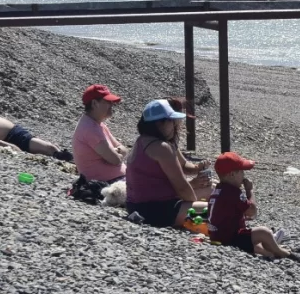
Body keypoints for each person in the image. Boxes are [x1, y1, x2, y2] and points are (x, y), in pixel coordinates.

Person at [208, 151, 300, 262]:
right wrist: (249, 190)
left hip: (216, 236)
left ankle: (277, 251)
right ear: (232, 174)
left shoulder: (218, 189)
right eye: (241, 171)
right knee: (264, 232)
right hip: (230, 238)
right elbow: (252, 212)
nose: (243, 175)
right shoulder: (233, 191)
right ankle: (286, 254)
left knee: (258, 242)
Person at [125, 99, 208, 227]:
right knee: (217, 210)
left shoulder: (141, 141)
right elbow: (182, 188)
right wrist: (194, 205)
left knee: (211, 193)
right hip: (156, 211)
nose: (174, 125)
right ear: (160, 123)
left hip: (136, 206)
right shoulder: (161, 147)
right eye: (171, 121)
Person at [72, 84, 128, 183]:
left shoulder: (98, 125)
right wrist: (115, 153)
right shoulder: (90, 129)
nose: (112, 105)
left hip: (113, 180)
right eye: (107, 102)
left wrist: (116, 150)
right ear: (94, 104)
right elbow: (115, 160)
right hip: (104, 184)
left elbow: (124, 149)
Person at [166, 96, 214, 201]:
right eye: (178, 118)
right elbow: (164, 187)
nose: (180, 122)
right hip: (163, 199)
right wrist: (193, 184)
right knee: (214, 190)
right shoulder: (162, 148)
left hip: (170, 193)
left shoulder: (170, 142)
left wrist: (198, 167)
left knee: (215, 184)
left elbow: (184, 165)